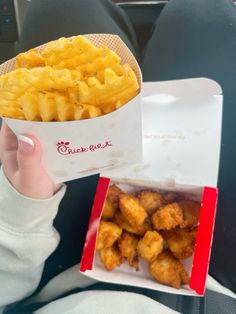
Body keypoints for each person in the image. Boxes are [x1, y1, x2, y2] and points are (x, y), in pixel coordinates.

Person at [0, 0, 236, 313]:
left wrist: (23, 211)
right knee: (204, 12)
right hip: (217, 285)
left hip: (53, 276)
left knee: (56, 7)